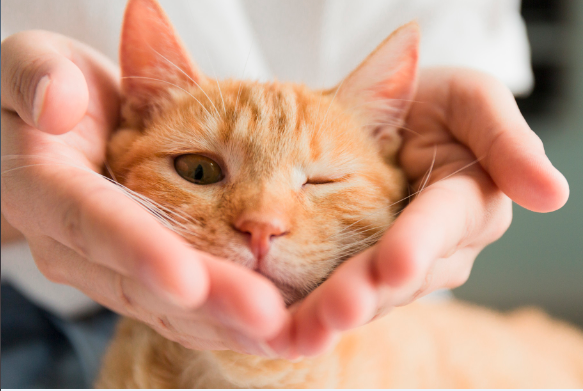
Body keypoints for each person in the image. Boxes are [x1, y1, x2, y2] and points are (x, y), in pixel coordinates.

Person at [1, 0, 569, 387]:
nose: (262, 221)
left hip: (392, 315)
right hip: (47, 309)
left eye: (321, 182)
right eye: (199, 170)